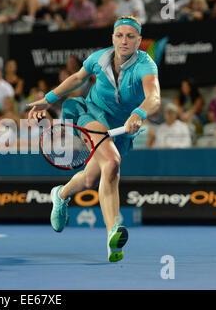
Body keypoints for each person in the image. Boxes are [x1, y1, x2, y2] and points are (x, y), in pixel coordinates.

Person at [27, 16, 161, 262]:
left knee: (91, 178)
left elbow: (154, 98)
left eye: (131, 36)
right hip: (90, 113)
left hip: (122, 126)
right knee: (111, 163)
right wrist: (47, 99)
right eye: (119, 35)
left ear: (139, 40)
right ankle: (113, 234)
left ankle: (60, 194)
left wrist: (139, 113)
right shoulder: (100, 58)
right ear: (112, 38)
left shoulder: (146, 65)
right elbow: (78, 78)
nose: (124, 40)